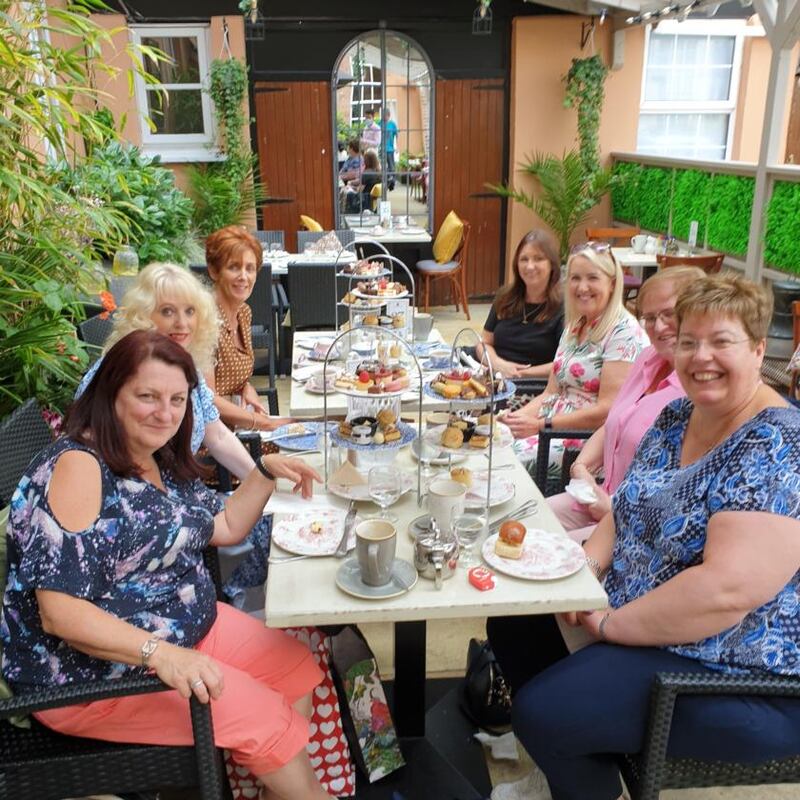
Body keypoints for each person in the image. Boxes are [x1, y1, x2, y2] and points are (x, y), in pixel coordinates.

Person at [487, 274, 800, 800]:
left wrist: (611, 625)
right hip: (649, 620)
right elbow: (626, 504)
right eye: (688, 341)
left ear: (757, 348)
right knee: (513, 623)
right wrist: (586, 568)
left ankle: (580, 771)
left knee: (544, 713)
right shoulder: (680, 414)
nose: (701, 357)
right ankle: (574, 767)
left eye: (721, 341)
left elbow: (725, 592)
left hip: (732, 671)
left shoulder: (777, 444)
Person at [2, 330, 331, 800]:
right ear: (110, 393)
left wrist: (264, 474)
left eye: (177, 399)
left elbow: (224, 527)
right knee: (266, 719)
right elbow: (60, 613)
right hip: (92, 674)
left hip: (185, 629)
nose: (166, 412)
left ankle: (266, 780)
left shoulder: (153, 454)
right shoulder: (79, 466)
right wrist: (162, 655)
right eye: (148, 397)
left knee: (295, 668)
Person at [548, 266, 703, 542]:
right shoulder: (646, 358)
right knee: (532, 518)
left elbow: (680, 493)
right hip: (600, 496)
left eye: (669, 314)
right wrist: (580, 467)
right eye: (650, 317)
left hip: (637, 528)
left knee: (552, 552)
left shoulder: (698, 390)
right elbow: (613, 424)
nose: (659, 326)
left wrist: (612, 508)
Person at [77, 262, 255, 478]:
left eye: (190, 311)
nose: (182, 323)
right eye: (168, 311)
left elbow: (217, 436)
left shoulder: (186, 368)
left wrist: (260, 481)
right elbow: (97, 456)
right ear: (144, 316)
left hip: (176, 490)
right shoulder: (120, 372)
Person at [501, 242, 648, 478]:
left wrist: (540, 425)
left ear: (611, 283)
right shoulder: (576, 325)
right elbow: (550, 392)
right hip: (549, 427)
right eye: (575, 278)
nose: (582, 287)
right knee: (491, 444)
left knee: (505, 466)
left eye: (592, 278)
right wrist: (516, 420)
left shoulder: (623, 332)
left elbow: (607, 411)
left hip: (583, 444)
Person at [205, 226, 292, 433]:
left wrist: (246, 387)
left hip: (234, 426)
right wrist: (260, 422)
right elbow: (207, 399)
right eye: (234, 267)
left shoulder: (243, 312)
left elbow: (235, 375)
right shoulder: (204, 321)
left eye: (250, 268)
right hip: (209, 437)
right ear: (214, 271)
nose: (244, 276)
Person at [476, 229, 564, 380]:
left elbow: (565, 363)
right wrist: (498, 364)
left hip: (534, 386)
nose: (530, 266)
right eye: (524, 259)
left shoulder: (563, 308)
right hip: (495, 375)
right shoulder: (505, 297)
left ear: (552, 265)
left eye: (538, 259)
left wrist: (519, 373)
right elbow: (484, 343)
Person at [345, 148, 381, 213]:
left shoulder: (366, 173)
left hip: (364, 200)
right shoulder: (378, 172)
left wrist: (350, 188)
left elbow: (359, 190)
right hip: (372, 200)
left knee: (345, 192)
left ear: (366, 161)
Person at [381, 108, 398, 190]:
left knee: (391, 166)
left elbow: (396, 136)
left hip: (390, 149)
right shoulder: (380, 123)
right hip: (381, 149)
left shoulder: (392, 124)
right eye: (383, 115)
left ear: (388, 115)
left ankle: (393, 182)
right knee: (383, 166)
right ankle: (385, 181)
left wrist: (397, 147)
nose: (384, 117)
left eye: (385, 115)